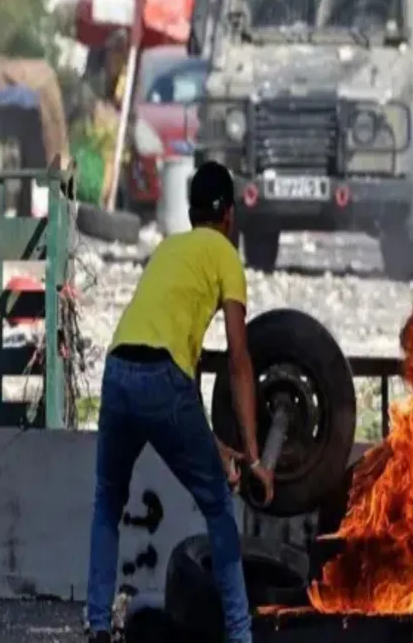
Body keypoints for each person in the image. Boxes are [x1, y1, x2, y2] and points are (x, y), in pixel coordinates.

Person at [85, 162, 275, 643]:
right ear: (229, 216)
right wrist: (254, 458)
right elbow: (239, 358)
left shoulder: (169, 248)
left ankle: (97, 626)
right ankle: (240, 633)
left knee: (108, 500)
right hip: (161, 379)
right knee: (217, 507)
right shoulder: (225, 255)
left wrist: (214, 445)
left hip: (118, 370)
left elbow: (177, 378)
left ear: (192, 213)